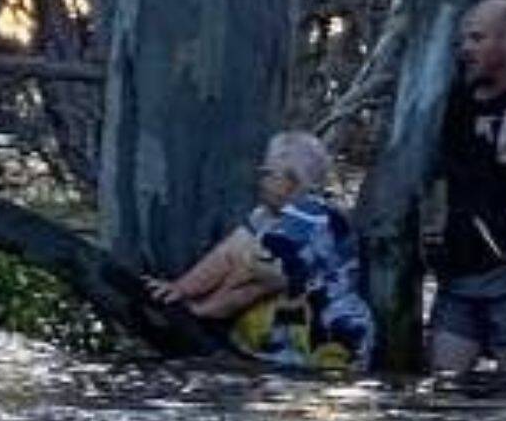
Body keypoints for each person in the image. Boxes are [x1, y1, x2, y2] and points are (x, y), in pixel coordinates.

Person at [145, 131, 374, 371]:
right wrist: (180, 290)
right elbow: (228, 253)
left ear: (294, 179)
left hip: (328, 342)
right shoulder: (264, 216)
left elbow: (263, 271)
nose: (262, 181)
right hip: (276, 348)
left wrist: (201, 311)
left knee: (257, 263)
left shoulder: (312, 213)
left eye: (269, 173)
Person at [425, 0, 506, 375]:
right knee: (444, 386)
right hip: (459, 270)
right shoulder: (458, 98)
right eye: (463, 41)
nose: (466, 49)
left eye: (477, 39)